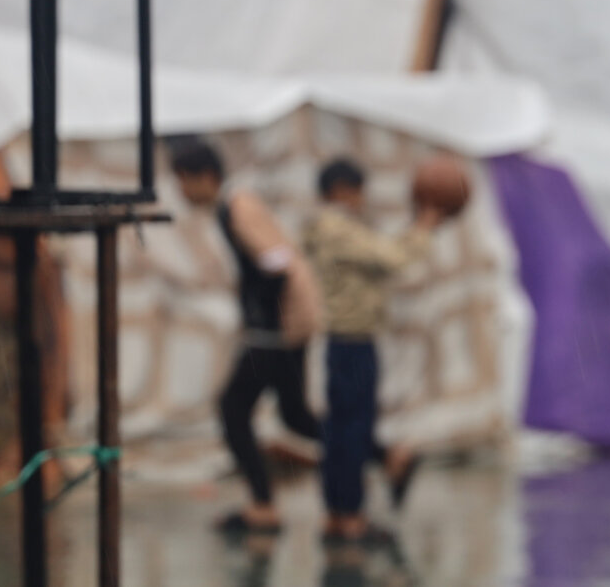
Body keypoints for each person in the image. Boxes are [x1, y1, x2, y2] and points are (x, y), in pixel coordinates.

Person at [170, 138, 324, 535]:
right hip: (280, 330)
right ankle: (382, 452)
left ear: (205, 177)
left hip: (275, 333)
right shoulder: (232, 207)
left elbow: (275, 262)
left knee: (234, 409)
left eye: (184, 180)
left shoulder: (236, 208)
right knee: (296, 416)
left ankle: (263, 504)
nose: (182, 191)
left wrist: (265, 327)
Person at [303, 159, 445, 544]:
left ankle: (339, 511)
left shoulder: (333, 228)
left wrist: (416, 231)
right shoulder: (335, 227)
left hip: (347, 342)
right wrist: (425, 228)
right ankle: (350, 514)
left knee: (342, 430)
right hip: (351, 342)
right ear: (343, 190)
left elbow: (382, 254)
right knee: (350, 430)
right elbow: (391, 257)